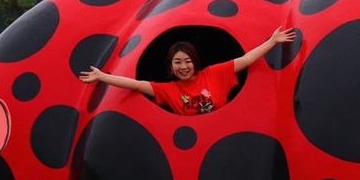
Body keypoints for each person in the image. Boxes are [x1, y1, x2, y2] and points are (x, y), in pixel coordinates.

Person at [78, 27, 297, 116]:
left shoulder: (214, 74)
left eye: (187, 61)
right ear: (171, 66)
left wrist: (272, 41)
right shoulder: (167, 90)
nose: (183, 67)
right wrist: (102, 76)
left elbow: (246, 59)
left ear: (195, 62)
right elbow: (135, 84)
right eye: (178, 62)